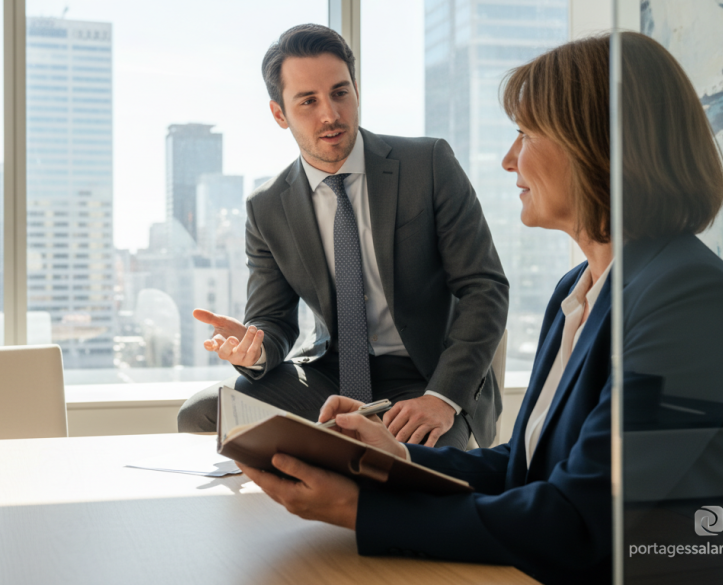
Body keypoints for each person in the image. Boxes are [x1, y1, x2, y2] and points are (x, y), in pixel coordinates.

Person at [237, 32, 723, 585]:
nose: (508, 159)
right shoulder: (579, 291)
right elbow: (524, 465)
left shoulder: (688, 297)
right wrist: (394, 458)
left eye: (526, 134)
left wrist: (357, 510)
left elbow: (578, 521)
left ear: (597, 145)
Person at [177, 24, 509, 450]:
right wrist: (254, 349)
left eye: (339, 93)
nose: (330, 115)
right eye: (308, 101)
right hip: (328, 375)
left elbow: (485, 289)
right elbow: (272, 321)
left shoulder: (427, 164)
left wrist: (442, 398)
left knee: (420, 472)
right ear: (280, 114)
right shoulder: (266, 207)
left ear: (356, 91)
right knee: (201, 413)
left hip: (424, 376)